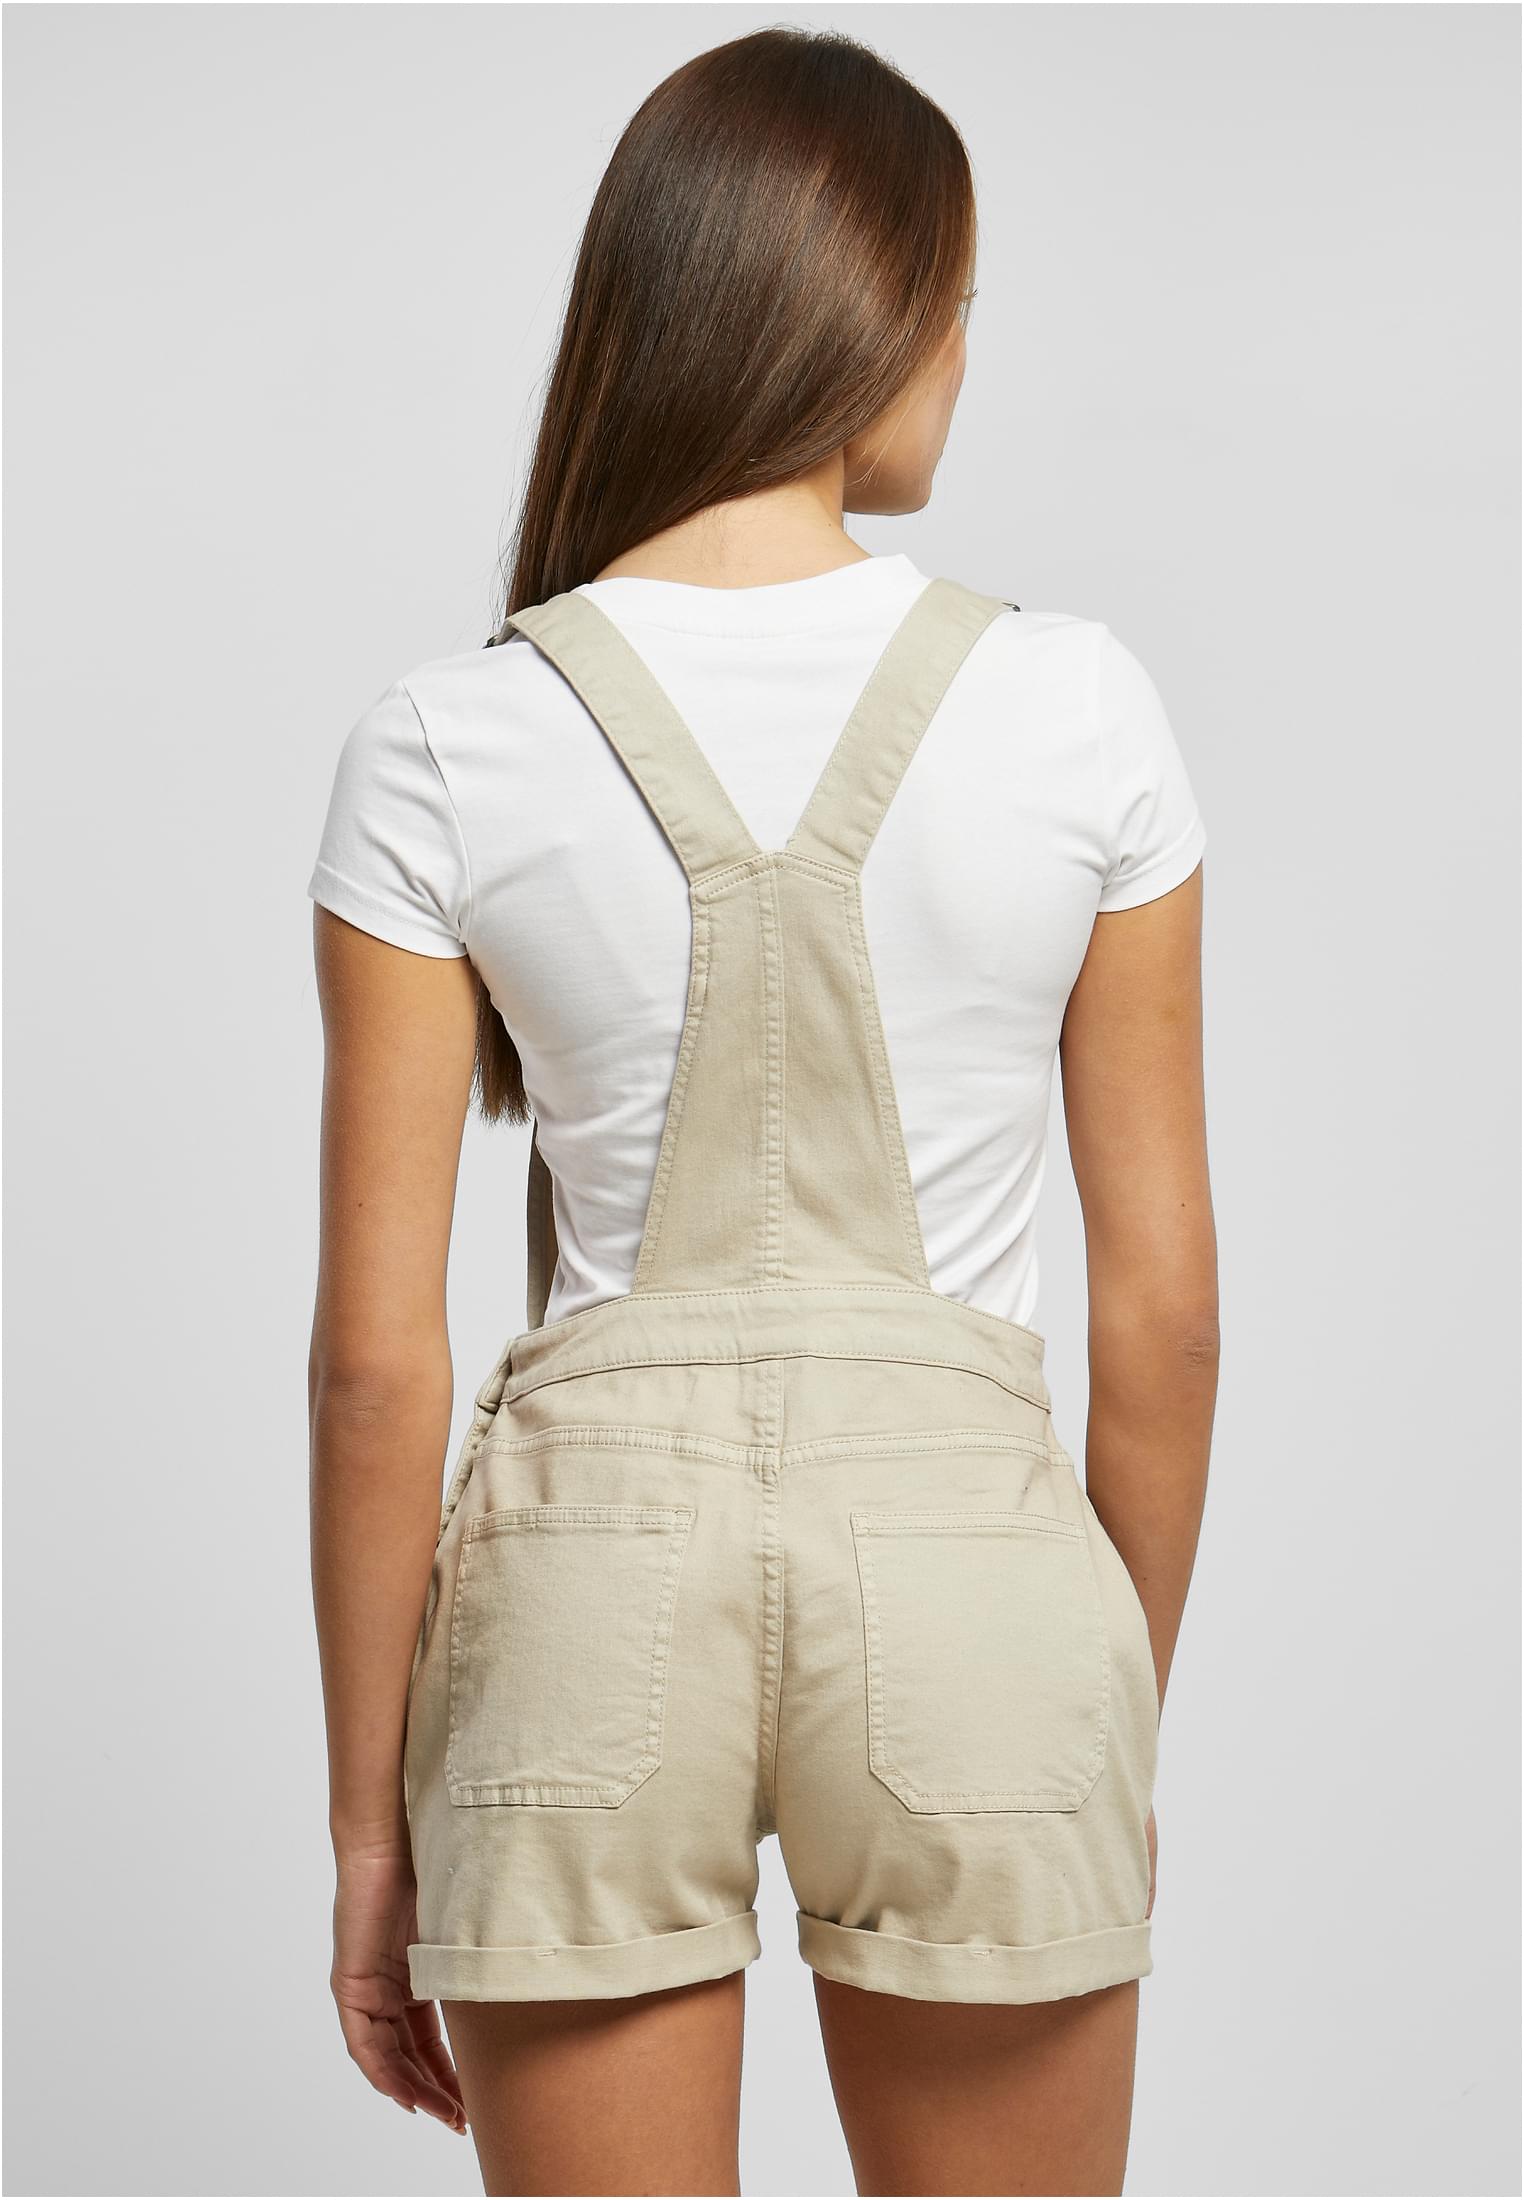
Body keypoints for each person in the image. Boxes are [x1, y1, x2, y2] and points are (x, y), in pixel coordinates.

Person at [307, 26, 1218, 2197]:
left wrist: (368, 1826)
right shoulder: (1080, 707)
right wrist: (1091, 1687)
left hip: (583, 1588)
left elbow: (374, 1363)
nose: (964, 354)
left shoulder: (447, 738)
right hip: (978, 1566)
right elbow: (1168, 1322)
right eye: (958, 300)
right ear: (864, 308)